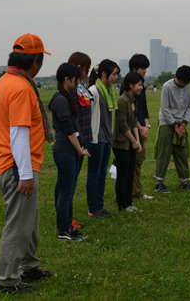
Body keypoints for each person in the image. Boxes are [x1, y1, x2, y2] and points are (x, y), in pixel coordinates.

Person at [0, 33, 53, 294]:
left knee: (29, 220)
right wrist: (26, 175)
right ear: (36, 62)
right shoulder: (21, 88)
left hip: (9, 164)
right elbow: (19, 133)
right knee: (19, 224)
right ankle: (7, 279)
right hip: (19, 167)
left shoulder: (0, 84)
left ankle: (29, 266)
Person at [49, 63, 90, 241]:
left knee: (66, 191)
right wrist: (79, 149)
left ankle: (68, 226)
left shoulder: (64, 98)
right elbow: (68, 129)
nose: (79, 81)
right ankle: (63, 231)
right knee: (66, 193)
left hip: (68, 150)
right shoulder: (61, 100)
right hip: (65, 150)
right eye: (77, 78)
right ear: (67, 79)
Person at [152, 65, 190, 193]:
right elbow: (165, 108)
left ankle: (184, 182)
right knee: (164, 152)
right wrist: (175, 126)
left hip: (182, 122)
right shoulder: (167, 86)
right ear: (176, 77)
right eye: (180, 82)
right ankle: (159, 183)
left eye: (185, 83)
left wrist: (183, 124)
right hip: (166, 123)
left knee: (181, 152)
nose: (182, 85)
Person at [86, 59, 120, 218]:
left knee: (101, 174)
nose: (116, 78)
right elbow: (85, 116)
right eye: (114, 74)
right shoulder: (93, 91)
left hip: (106, 138)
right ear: (104, 74)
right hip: (95, 139)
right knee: (94, 174)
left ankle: (99, 206)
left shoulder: (109, 91)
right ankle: (93, 208)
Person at [118, 54, 153, 200]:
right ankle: (134, 192)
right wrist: (140, 127)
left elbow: (143, 107)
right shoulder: (126, 87)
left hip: (141, 128)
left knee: (138, 160)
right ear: (134, 68)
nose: (145, 71)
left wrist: (147, 126)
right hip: (132, 130)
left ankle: (136, 191)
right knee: (132, 162)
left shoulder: (141, 85)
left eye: (146, 68)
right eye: (142, 68)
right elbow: (130, 113)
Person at [66, 52, 93, 229]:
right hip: (73, 141)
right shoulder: (71, 89)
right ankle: (66, 220)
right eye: (86, 68)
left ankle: (69, 217)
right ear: (78, 68)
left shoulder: (81, 86)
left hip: (84, 138)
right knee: (67, 184)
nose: (88, 71)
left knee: (72, 182)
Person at [113, 72, 144, 212]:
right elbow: (123, 125)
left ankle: (129, 203)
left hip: (131, 143)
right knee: (123, 175)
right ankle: (122, 204)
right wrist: (133, 141)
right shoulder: (122, 101)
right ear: (131, 85)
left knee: (130, 174)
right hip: (121, 144)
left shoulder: (133, 101)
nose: (141, 87)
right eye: (139, 85)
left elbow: (134, 123)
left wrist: (137, 142)